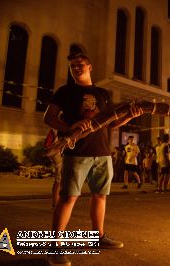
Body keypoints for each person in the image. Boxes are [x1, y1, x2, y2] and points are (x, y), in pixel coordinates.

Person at [43, 52, 142, 264]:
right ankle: (55, 246)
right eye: (72, 66)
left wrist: (129, 116)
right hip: (77, 152)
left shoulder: (103, 93)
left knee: (100, 195)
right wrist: (69, 127)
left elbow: (111, 123)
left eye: (79, 64)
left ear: (90, 67)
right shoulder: (65, 91)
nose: (76, 68)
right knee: (69, 197)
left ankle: (98, 237)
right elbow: (48, 117)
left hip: (103, 152)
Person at [44, 128, 62, 208]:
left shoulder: (53, 129)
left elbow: (47, 144)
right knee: (59, 179)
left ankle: (56, 203)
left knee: (59, 179)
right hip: (57, 153)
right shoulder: (55, 129)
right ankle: (56, 204)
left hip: (56, 152)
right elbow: (47, 145)